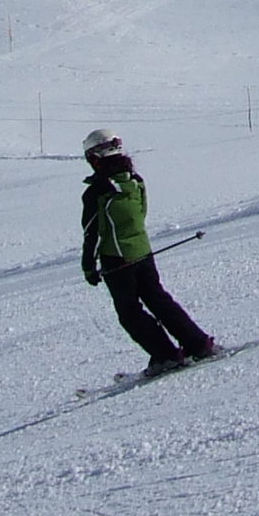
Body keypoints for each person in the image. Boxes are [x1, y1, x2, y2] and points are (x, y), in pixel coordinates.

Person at [80, 130, 218, 375]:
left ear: (95, 158)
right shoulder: (135, 181)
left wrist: (89, 266)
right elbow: (141, 213)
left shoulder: (97, 192)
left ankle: (166, 356)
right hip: (143, 252)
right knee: (159, 300)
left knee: (129, 312)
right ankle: (198, 344)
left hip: (117, 260)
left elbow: (92, 232)